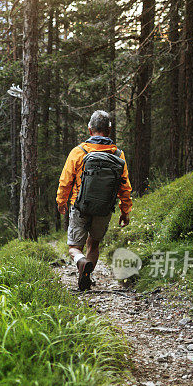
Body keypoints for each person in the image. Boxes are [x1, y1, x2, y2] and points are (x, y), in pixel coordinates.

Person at [56, 110, 132, 290]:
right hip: (104, 209)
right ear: (109, 131)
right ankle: (86, 277)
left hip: (80, 206)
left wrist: (61, 201)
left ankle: (81, 262)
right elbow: (124, 187)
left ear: (90, 130)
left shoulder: (78, 151)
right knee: (94, 244)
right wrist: (125, 211)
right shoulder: (118, 155)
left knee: (74, 247)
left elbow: (65, 180)